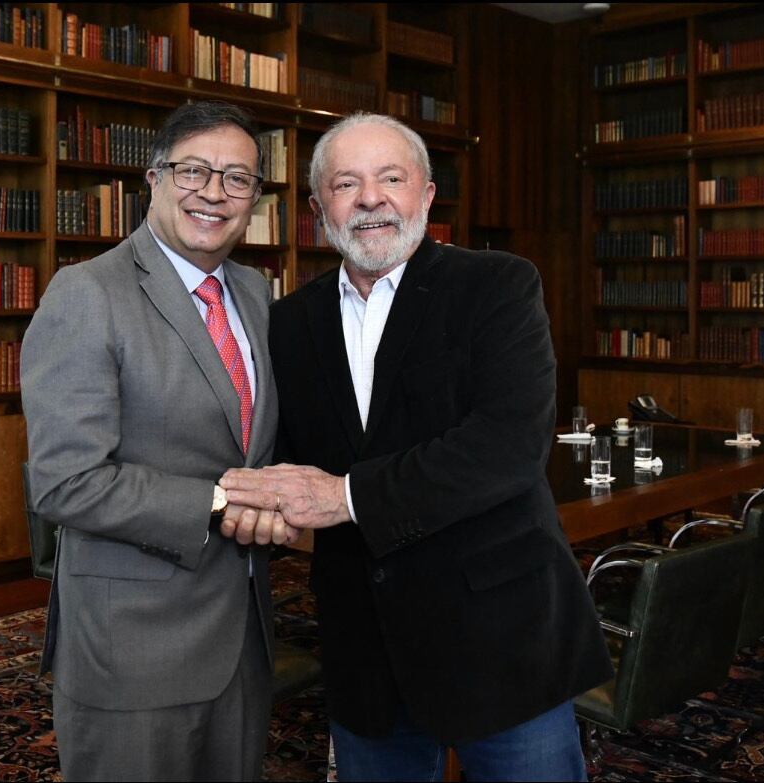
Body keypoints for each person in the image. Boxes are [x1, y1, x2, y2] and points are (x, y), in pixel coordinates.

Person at [219, 112, 614, 782]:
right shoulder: (287, 322)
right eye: (346, 184)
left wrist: (340, 496)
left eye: (391, 178)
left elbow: (507, 447)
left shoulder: (498, 286)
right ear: (319, 209)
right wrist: (253, 502)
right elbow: (281, 461)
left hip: (500, 638)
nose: (370, 198)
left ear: (427, 195)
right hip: (364, 646)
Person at [20, 100, 293, 782]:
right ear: (154, 177)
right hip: (133, 642)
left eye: (238, 178)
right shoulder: (87, 293)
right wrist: (218, 499)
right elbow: (66, 481)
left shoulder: (255, 292)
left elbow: (248, 439)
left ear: (255, 198)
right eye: (194, 169)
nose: (214, 191)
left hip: (243, 634)